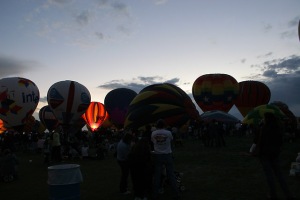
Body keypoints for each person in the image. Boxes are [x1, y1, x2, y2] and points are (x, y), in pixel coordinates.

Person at [256, 112, 294, 200]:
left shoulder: (264, 129)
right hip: (275, 154)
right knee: (280, 175)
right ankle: (288, 195)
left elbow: (260, 141)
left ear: (267, 119)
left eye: (264, 118)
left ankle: (273, 194)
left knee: (270, 176)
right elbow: (281, 142)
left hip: (265, 154)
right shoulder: (278, 128)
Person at [151, 119, 179, 200]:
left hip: (158, 155)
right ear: (164, 125)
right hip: (167, 154)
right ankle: (176, 193)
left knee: (157, 175)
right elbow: (171, 140)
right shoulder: (168, 133)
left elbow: (153, 142)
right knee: (171, 175)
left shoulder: (153, 133)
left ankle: (155, 194)